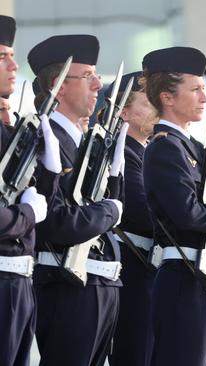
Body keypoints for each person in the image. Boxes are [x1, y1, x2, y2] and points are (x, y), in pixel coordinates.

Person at [29, 34, 127, 365]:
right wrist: (111, 210)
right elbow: (57, 222)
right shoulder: (46, 139)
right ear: (60, 85)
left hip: (99, 282)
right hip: (67, 286)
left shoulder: (86, 142)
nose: (99, 85)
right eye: (87, 76)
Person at [141, 46, 206, 366]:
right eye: (195, 89)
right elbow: (188, 214)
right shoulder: (165, 148)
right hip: (183, 276)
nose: (204, 97)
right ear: (167, 97)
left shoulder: (192, 146)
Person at [0, 15, 55, 366]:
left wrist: (49, 173)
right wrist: (29, 213)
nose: (14, 64)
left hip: (19, 281)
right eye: (2, 56)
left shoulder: (9, 133)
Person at [108, 71, 157, 366]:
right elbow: (141, 210)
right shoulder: (123, 152)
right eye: (148, 100)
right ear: (124, 112)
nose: (156, 107)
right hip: (133, 269)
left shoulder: (146, 151)